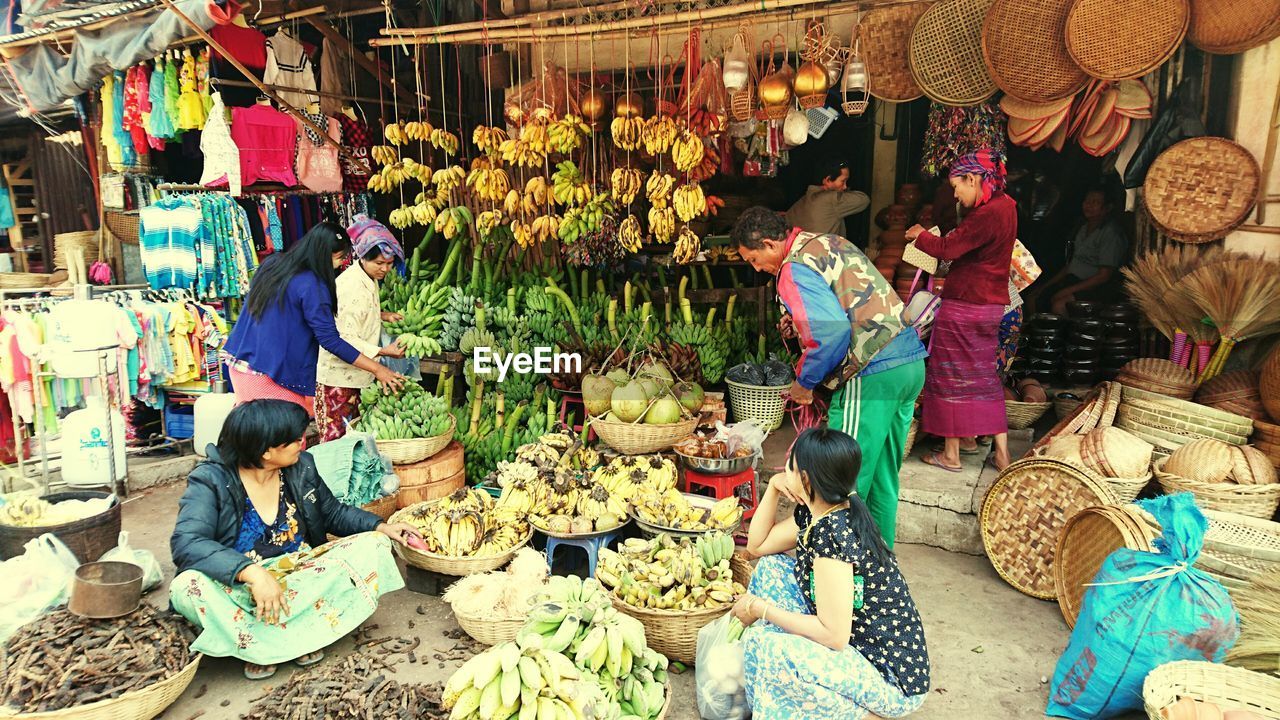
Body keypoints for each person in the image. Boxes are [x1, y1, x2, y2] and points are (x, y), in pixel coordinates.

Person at [169, 399, 418, 680]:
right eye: (294, 440)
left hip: (299, 573)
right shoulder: (211, 480)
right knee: (186, 587)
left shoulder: (302, 467)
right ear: (266, 452)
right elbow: (187, 543)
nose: (303, 442)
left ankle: (277, 641)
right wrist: (252, 574)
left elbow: (332, 512)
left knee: (374, 544)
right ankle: (281, 641)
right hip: (240, 586)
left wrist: (380, 525)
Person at [732, 207, 927, 547]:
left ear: (768, 243)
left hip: (871, 373)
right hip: (908, 364)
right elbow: (845, 303)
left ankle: (833, 565)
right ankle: (879, 563)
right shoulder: (825, 242)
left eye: (753, 260)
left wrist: (803, 384)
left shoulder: (792, 268)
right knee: (881, 478)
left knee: (839, 478)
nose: (758, 269)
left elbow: (831, 336)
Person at [735, 427, 930, 720]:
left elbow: (835, 636)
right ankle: (782, 685)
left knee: (765, 646)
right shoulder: (822, 510)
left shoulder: (833, 536)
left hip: (889, 678)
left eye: (790, 465)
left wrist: (761, 609)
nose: (785, 469)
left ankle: (861, 715)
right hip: (859, 644)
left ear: (805, 479)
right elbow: (758, 545)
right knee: (772, 569)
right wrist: (775, 486)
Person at [905, 149, 1017, 472]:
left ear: (973, 179)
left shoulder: (987, 214)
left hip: (966, 304)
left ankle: (951, 453)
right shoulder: (1007, 207)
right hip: (991, 306)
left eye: (958, 186)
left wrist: (920, 236)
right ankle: (1001, 452)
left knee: (950, 375)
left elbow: (949, 248)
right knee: (984, 378)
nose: (956, 193)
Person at [222, 222, 405, 417]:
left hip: (240, 363)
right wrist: (378, 369)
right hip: (268, 374)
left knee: (258, 434)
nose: (340, 265)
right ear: (325, 254)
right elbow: (330, 340)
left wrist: (379, 315)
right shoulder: (313, 285)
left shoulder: (274, 263)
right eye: (339, 259)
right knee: (282, 438)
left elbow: (286, 310)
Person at [315, 215, 407, 441]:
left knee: (354, 440)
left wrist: (381, 315)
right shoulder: (352, 286)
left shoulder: (367, 277)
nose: (385, 269)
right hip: (338, 380)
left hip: (356, 376)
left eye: (389, 263)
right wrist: (384, 354)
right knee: (336, 444)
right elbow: (343, 339)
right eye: (379, 263)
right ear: (363, 258)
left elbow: (354, 314)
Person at [1027, 186, 1129, 316]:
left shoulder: (1111, 234)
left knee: (1060, 305)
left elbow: (1104, 276)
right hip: (1075, 281)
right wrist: (1044, 287)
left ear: (1107, 208)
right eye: (1087, 201)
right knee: (1034, 297)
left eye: (1095, 202)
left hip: (1098, 288)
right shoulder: (1083, 228)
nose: (1088, 205)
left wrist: (1066, 291)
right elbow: (1072, 265)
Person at [786, 159, 871, 238]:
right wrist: (842, 194)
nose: (845, 186)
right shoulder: (832, 200)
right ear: (828, 180)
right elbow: (864, 200)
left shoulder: (798, 204)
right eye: (843, 181)